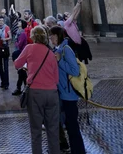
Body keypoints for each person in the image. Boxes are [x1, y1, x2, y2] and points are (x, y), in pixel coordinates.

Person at [14, 26, 60, 154]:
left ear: (33, 37)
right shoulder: (50, 53)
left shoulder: (29, 48)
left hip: (35, 93)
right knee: (53, 130)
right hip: (52, 93)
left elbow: (17, 64)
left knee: (36, 131)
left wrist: (28, 66)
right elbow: (56, 79)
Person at [50, 26, 86, 154]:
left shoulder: (66, 49)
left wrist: (59, 61)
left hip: (69, 94)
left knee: (73, 127)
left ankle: (79, 151)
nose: (50, 39)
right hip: (63, 93)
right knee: (69, 126)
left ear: (57, 35)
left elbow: (75, 71)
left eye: (51, 36)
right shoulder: (59, 49)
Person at [0, 16, 11, 90]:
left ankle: (6, 83)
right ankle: (2, 82)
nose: (1, 22)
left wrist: (5, 39)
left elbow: (10, 37)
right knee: (0, 67)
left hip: (5, 48)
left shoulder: (7, 28)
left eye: (2, 20)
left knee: (6, 67)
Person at [12, 19, 28, 95]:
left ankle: (22, 88)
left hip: (22, 54)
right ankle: (23, 87)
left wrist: (16, 42)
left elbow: (19, 44)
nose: (18, 23)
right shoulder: (18, 32)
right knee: (21, 72)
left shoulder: (22, 34)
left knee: (22, 72)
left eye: (19, 22)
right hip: (19, 54)